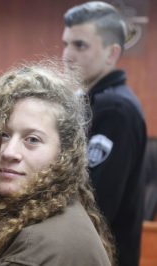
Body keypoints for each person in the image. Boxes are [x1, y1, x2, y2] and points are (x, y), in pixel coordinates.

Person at [0, 63, 115, 266]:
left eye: (32, 140)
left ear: (64, 153)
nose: (10, 152)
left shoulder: (41, 244)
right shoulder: (23, 214)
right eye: (2, 135)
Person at [62, 2, 147, 265]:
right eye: (65, 44)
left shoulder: (115, 109)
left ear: (112, 54)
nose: (67, 55)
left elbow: (96, 203)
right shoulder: (93, 101)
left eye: (80, 45)